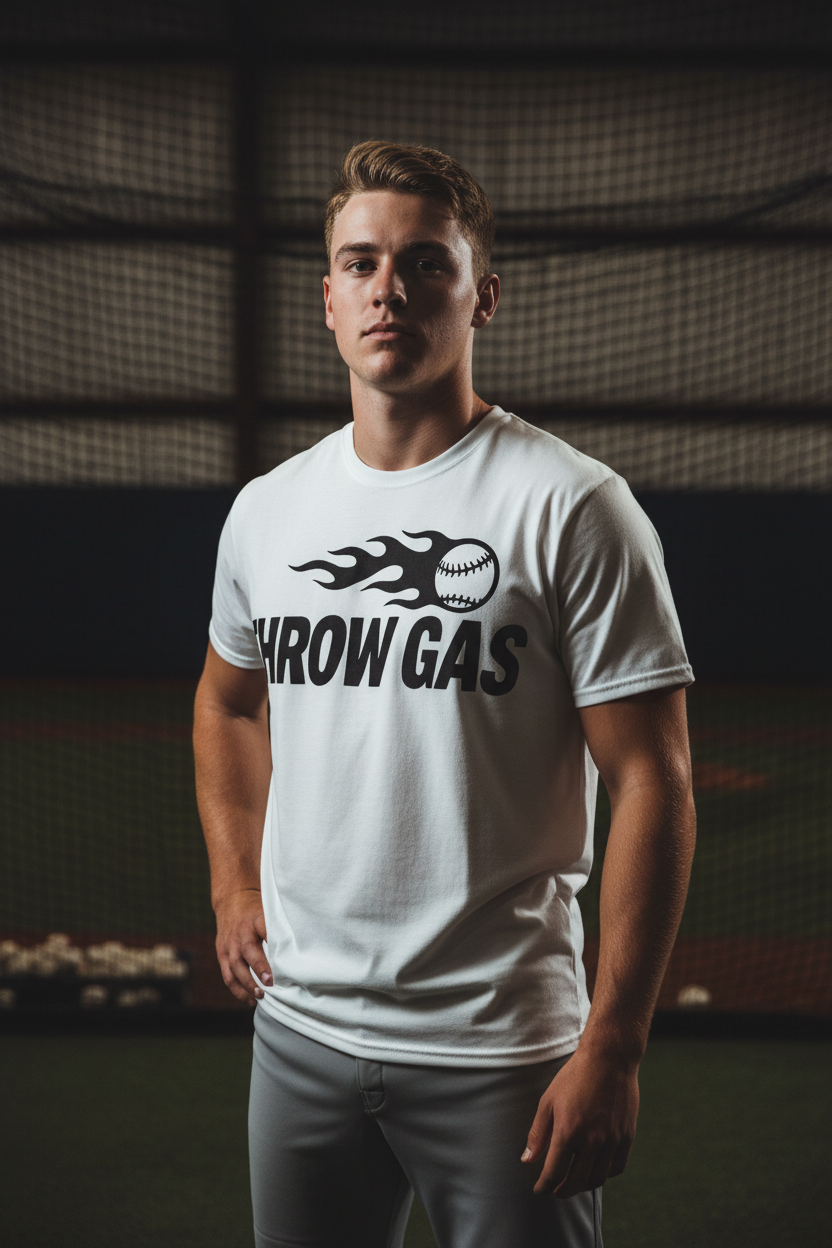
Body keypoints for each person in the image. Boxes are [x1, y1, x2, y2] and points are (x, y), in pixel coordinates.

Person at [193, 140, 696, 1248]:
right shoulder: (269, 514)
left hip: (502, 1050)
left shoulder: (572, 507)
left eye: (426, 264)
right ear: (327, 298)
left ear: (483, 297)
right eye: (362, 263)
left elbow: (650, 776)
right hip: (301, 1039)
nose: (390, 290)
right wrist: (236, 885)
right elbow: (227, 702)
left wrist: (612, 1043)